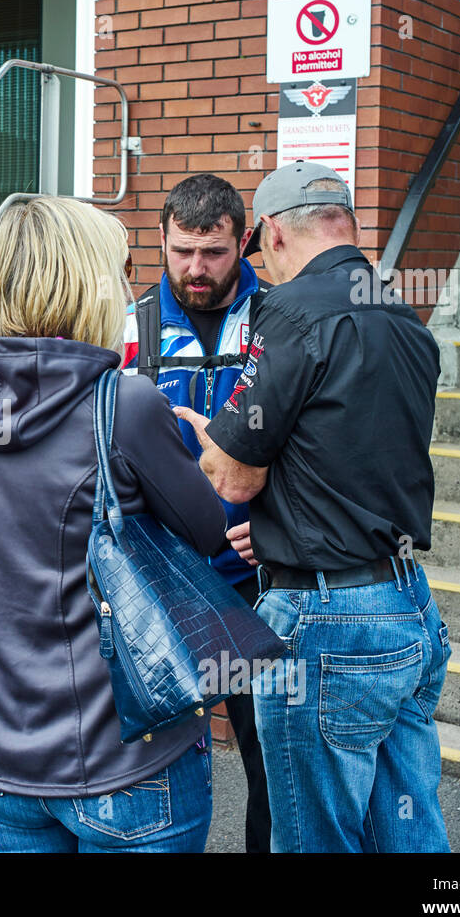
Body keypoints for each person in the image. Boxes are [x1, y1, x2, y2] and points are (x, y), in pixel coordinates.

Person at [0, 196, 228, 853]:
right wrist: (208, 457)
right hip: (124, 764)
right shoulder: (125, 405)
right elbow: (209, 531)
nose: (127, 287)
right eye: (118, 272)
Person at [175, 161, 450, 853]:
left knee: (313, 841)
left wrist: (208, 439)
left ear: (268, 233)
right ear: (345, 221)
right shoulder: (403, 315)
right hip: (407, 604)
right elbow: (349, 452)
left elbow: (234, 479)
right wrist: (283, 521)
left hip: (328, 624)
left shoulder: (291, 310)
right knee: (407, 833)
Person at [121, 173, 273, 853]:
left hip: (252, 582)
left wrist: (275, 529)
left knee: (272, 763)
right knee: (144, 760)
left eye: (213, 252)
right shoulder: (131, 324)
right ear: (162, 239)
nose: (196, 269)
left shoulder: (283, 320)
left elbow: (314, 447)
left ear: (244, 240)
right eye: (181, 251)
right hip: (160, 580)